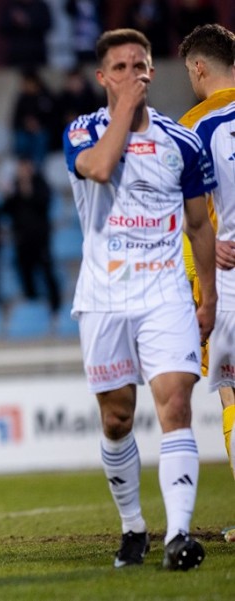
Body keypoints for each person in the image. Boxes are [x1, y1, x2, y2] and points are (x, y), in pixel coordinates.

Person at [63, 28, 217, 570]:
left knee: (176, 406)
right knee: (117, 420)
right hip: (104, 297)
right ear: (103, 77)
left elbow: (200, 226)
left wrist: (209, 299)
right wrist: (124, 112)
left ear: (153, 71)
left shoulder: (184, 142)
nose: (134, 74)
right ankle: (133, 526)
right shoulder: (82, 131)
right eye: (121, 68)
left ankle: (178, 536)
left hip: (165, 294)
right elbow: (101, 169)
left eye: (141, 65)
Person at [177, 23, 235, 540]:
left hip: (228, 278)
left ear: (199, 67)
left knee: (233, 392)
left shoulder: (195, 127)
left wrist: (201, 278)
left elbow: (190, 218)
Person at [1, 157, 61, 314]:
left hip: (40, 239)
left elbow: (44, 203)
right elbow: (6, 211)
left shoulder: (40, 183)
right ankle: (33, 306)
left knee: (47, 272)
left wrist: (28, 188)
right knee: (25, 273)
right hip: (21, 240)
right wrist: (7, 195)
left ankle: (56, 306)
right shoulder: (13, 186)